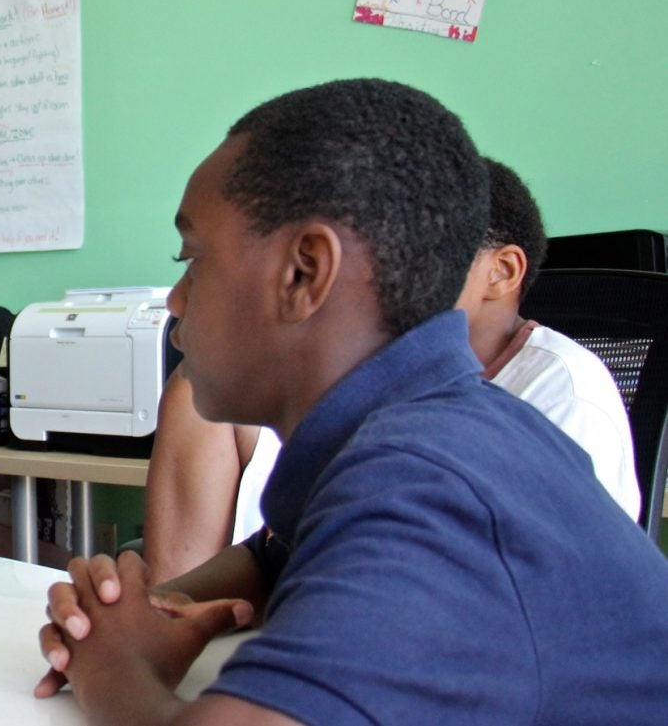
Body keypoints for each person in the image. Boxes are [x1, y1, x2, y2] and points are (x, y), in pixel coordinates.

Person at [34, 79, 668, 724]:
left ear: (304, 273)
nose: (175, 298)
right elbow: (271, 558)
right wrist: (151, 608)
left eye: (192, 257)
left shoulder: (427, 481)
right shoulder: (420, 424)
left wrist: (114, 661)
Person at [141, 157, 641, 583]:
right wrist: (165, 611)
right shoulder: (397, 376)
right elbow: (284, 549)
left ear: (503, 271)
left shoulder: (563, 397)